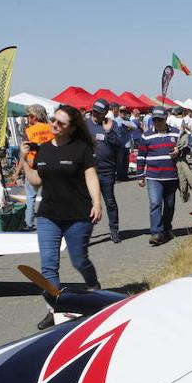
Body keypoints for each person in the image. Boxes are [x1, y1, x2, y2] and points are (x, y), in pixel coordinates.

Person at [20, 105, 102, 326]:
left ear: (71, 128)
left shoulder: (81, 149)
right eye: (53, 120)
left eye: (61, 123)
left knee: (79, 260)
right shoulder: (44, 149)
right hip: (48, 216)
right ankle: (54, 309)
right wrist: (24, 159)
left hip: (78, 216)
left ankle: (94, 289)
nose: (54, 125)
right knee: (48, 266)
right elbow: (36, 181)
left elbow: (91, 178)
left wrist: (97, 202)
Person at [136, 107, 179, 245]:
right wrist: (140, 176)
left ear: (166, 118)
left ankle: (167, 230)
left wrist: (180, 150)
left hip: (172, 176)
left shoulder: (176, 133)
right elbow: (141, 157)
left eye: (160, 119)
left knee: (170, 205)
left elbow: (187, 148)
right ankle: (156, 233)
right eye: (154, 119)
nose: (157, 122)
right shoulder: (146, 136)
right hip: (153, 176)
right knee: (155, 204)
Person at [85, 99, 124, 242]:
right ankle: (86, 233)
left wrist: (108, 132)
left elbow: (119, 144)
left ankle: (114, 230)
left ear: (105, 113)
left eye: (98, 112)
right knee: (88, 203)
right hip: (89, 171)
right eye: (94, 111)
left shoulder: (112, 125)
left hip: (106, 170)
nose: (95, 114)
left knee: (110, 202)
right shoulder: (85, 124)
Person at [22, 104, 53, 229]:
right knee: (51, 195)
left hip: (33, 166)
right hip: (50, 165)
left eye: (29, 116)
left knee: (30, 197)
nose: (28, 119)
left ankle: (29, 223)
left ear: (34, 117)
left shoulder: (28, 131)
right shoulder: (52, 128)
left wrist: (21, 167)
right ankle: (52, 221)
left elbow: (23, 150)